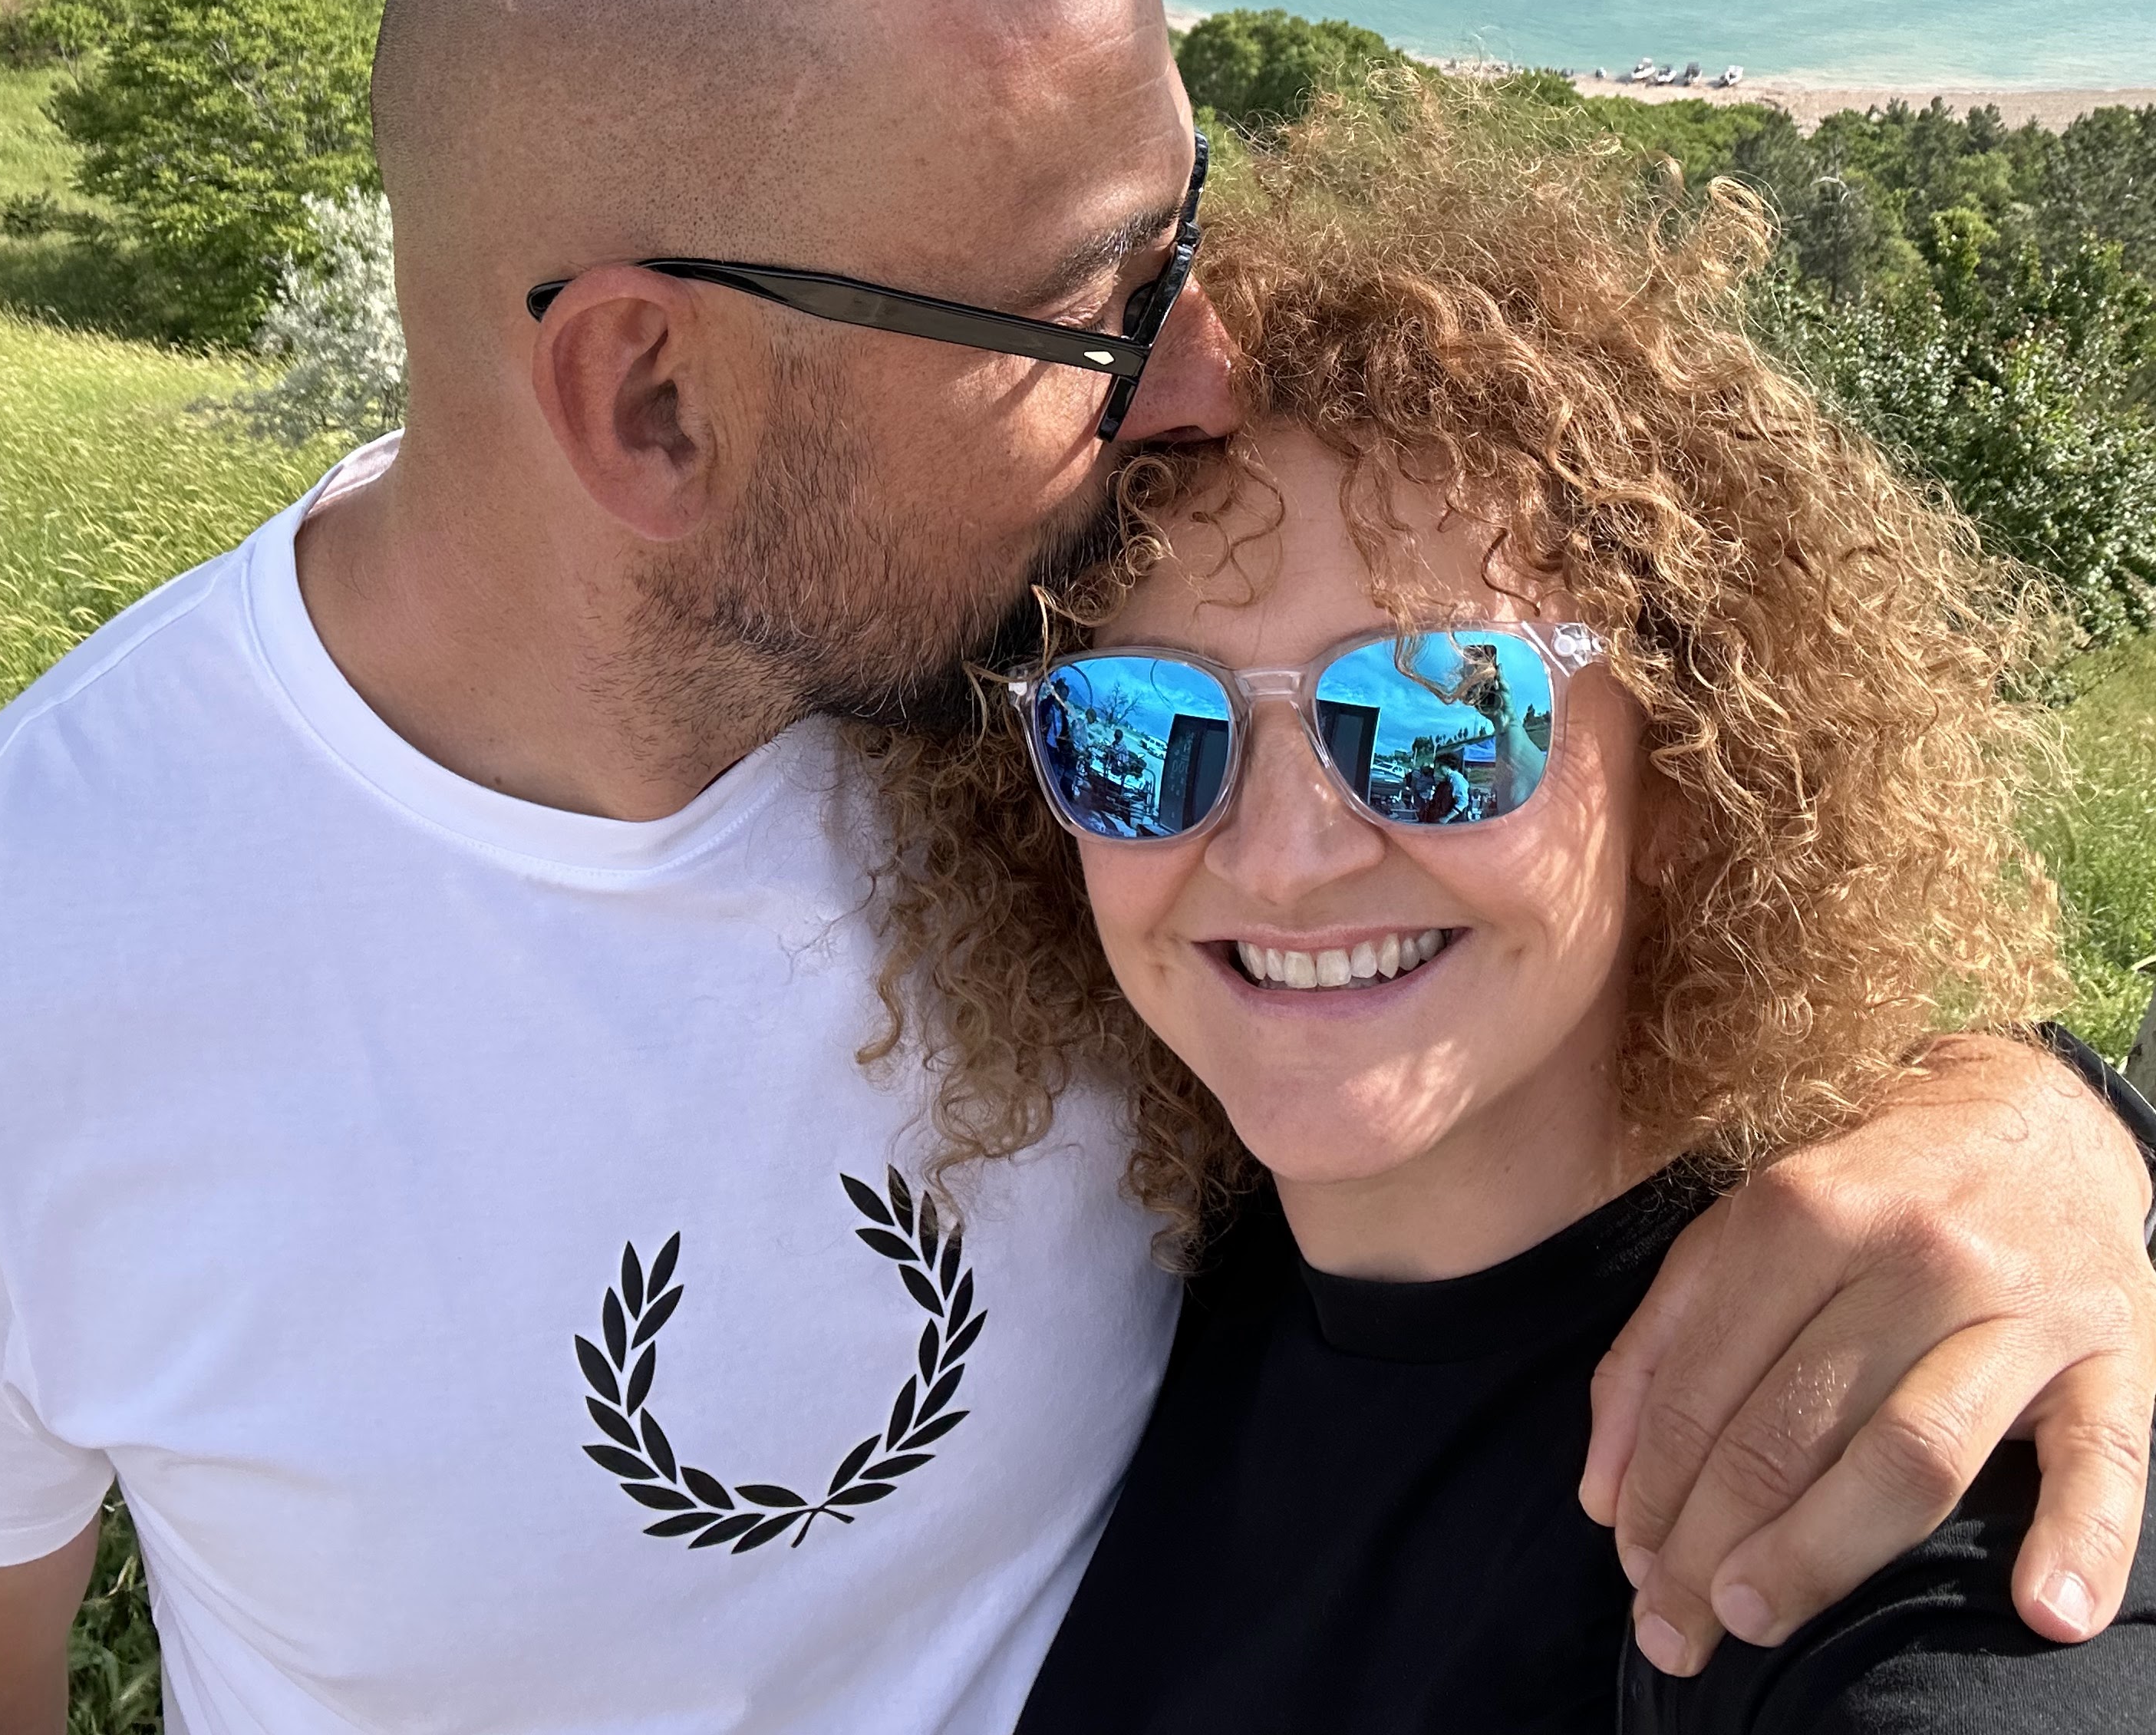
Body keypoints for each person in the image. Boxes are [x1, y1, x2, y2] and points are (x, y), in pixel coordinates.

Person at [0, 0, 2151, 1735]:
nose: (1204, 375)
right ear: (655, 403)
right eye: (1101, 305)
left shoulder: (1019, 693)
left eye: (1186, 235)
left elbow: (1652, 839)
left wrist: (2059, 1125)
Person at [895, 97, 2156, 1730]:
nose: (1281, 857)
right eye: (1138, 731)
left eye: (1437, 714)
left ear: (1689, 769)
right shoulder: (1115, 1280)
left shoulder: (1874, 1442)